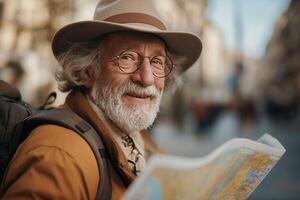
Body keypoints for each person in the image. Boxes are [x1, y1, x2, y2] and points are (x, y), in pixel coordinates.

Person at [0, 0, 202, 199]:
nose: (147, 78)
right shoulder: (58, 157)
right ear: (88, 70)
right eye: (127, 57)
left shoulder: (140, 143)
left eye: (157, 62)